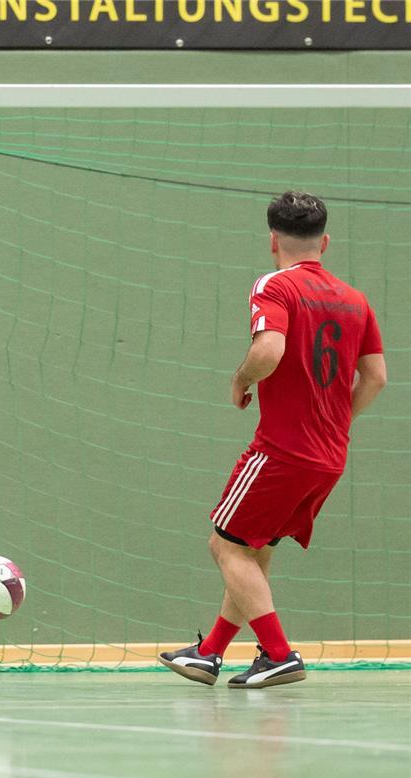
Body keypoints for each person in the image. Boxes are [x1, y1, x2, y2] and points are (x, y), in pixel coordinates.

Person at [160, 192, 386, 689]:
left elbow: (270, 347)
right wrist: (336, 417)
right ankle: (210, 653)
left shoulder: (275, 285)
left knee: (225, 546)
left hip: (283, 451)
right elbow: (376, 377)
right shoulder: (355, 299)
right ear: (324, 242)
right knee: (253, 550)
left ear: (272, 242)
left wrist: (242, 379)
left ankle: (279, 654)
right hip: (330, 455)